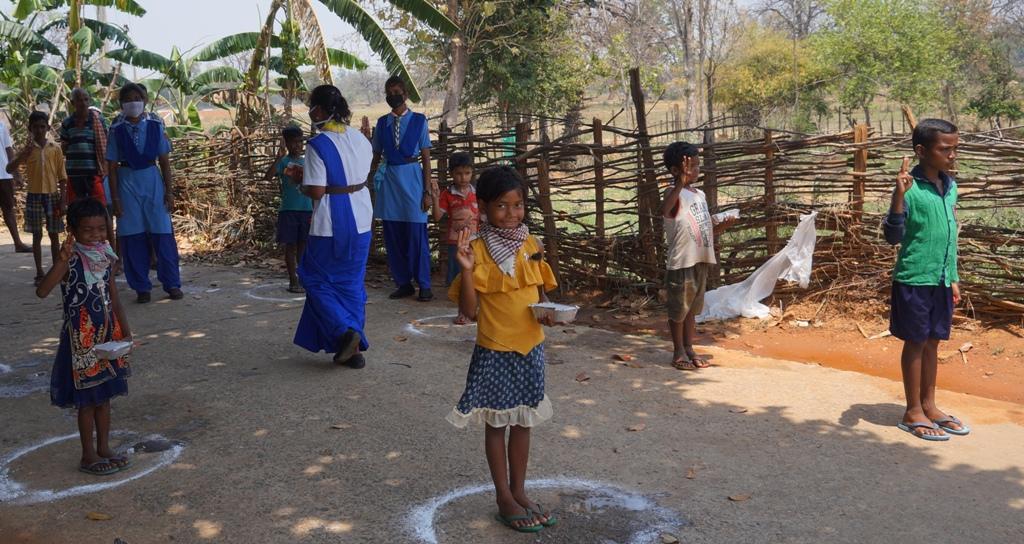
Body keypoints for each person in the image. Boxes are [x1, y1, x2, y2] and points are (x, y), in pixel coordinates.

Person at [446, 166, 559, 533]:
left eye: (518, 205)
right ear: (481, 207)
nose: (511, 214)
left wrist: (549, 313)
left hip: (531, 349)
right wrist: (465, 270)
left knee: (523, 421)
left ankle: (519, 490)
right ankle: (503, 497)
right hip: (495, 349)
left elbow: (541, 294)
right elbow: (468, 312)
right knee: (497, 425)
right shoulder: (475, 251)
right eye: (501, 206)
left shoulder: (532, 244)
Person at [883, 119, 969, 441]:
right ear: (921, 151)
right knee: (916, 342)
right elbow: (893, 236)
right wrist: (898, 195)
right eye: (944, 149)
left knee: (933, 341)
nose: (951, 154)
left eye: (954, 148)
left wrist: (954, 277)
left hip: (942, 280)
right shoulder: (910, 189)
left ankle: (930, 406)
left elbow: (950, 236)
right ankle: (912, 411)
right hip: (914, 278)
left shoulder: (950, 186)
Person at [36, 197, 132, 476]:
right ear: (73, 230)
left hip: (107, 337)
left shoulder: (105, 255)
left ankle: (104, 447)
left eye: (101, 229)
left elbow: (113, 296)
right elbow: (42, 291)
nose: (96, 235)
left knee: (105, 397)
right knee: (88, 400)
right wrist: (60, 261)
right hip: (81, 340)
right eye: (88, 230)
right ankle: (87, 454)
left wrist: (126, 331)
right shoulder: (70, 259)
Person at [293, 85, 374, 369]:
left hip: (331, 222)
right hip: (362, 217)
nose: (310, 112)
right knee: (351, 284)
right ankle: (352, 350)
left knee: (313, 277)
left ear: (322, 110)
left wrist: (299, 182)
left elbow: (316, 191)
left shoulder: (318, 144)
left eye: (312, 106)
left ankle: (344, 332)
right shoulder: (361, 139)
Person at [107, 82, 183, 304]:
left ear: (144, 101)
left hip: (152, 181)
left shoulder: (155, 126)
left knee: (163, 234)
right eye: (128, 99)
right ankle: (141, 287)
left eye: (137, 98)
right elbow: (111, 169)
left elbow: (165, 163)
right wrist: (116, 199)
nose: (133, 103)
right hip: (126, 184)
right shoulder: (116, 131)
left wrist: (169, 192)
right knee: (132, 237)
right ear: (121, 104)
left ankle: (172, 283)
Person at [660, 141, 734, 370]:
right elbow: (666, 211)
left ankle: (689, 347)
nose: (696, 170)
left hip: (700, 258)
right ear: (676, 170)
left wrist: (723, 226)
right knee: (678, 310)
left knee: (692, 309)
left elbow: (705, 227)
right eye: (691, 166)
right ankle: (678, 352)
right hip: (682, 261)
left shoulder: (699, 194)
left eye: (697, 165)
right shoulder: (673, 194)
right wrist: (679, 183)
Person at [368, 76, 437, 302]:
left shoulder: (419, 121)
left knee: (417, 236)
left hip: (413, 181)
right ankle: (403, 283)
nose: (393, 96)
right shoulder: (381, 124)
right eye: (389, 92)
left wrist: (427, 192)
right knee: (393, 236)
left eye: (397, 91)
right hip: (389, 184)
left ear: (405, 94)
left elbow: (426, 159)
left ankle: (424, 284)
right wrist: (370, 182)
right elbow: (376, 155)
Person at [7, 111, 67, 285]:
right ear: (30, 129)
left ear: (48, 128)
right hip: (34, 196)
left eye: (42, 126)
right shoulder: (27, 150)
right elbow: (9, 168)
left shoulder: (54, 148)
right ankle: (40, 272)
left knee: (54, 234)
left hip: (52, 195)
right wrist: (22, 157)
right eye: (36, 127)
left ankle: (56, 270)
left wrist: (63, 200)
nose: (39, 130)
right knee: (37, 235)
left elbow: (62, 177)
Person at [60, 88, 114, 244]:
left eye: (85, 99)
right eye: (79, 100)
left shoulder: (97, 120)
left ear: (89, 101)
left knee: (102, 212)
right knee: (75, 213)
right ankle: (78, 251)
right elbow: (64, 147)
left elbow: (105, 145)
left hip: (94, 175)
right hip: (74, 175)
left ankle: (112, 254)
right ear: (72, 103)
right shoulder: (67, 123)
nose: (83, 103)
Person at [431, 151, 480, 320]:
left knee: (475, 275)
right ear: (452, 174)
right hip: (455, 243)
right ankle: (462, 311)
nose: (463, 177)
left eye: (467, 173)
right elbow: (437, 217)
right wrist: (435, 199)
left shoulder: (477, 194)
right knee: (459, 277)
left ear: (472, 173)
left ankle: (472, 308)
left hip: (476, 242)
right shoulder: (447, 194)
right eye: (459, 174)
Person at [266, 124, 311, 293]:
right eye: (293, 143)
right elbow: (268, 177)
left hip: (307, 209)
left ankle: (302, 277)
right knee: (290, 246)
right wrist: (278, 157)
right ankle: (293, 280)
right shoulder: (284, 161)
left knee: (303, 246)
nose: (297, 146)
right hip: (288, 210)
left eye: (300, 142)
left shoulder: (308, 161)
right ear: (286, 143)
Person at [0, 116, 31, 253]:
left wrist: (16, 172)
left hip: (3, 172)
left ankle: (18, 243)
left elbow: (8, 149)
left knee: (8, 207)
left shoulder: (1, 125)